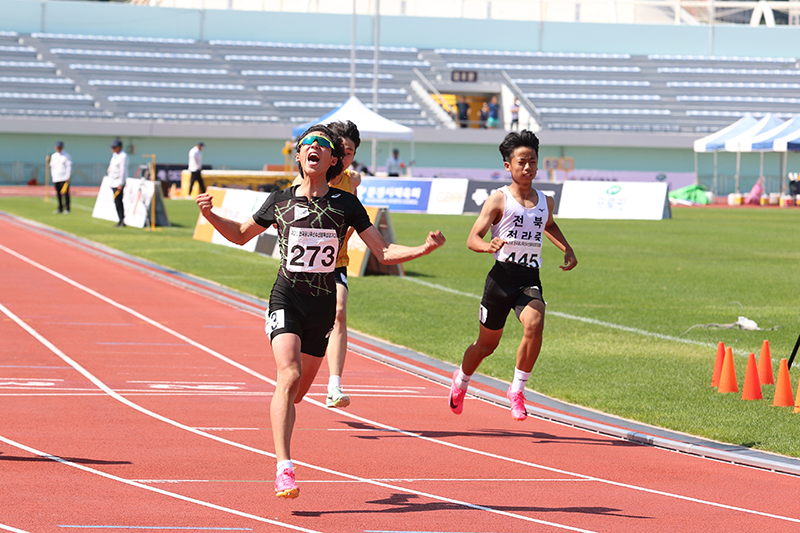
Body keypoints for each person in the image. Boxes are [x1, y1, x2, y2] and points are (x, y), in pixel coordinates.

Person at [195, 124, 445, 499]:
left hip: (322, 305)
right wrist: (211, 216)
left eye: (322, 145)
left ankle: (287, 414)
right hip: (287, 298)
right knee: (288, 374)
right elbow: (241, 234)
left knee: (296, 392)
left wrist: (423, 249)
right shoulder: (279, 200)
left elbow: (383, 251)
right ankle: (284, 468)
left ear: (332, 160)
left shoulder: (346, 205)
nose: (313, 147)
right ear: (298, 156)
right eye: (306, 144)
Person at [448, 130, 577, 422]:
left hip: (528, 277)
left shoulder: (546, 200)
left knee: (535, 321)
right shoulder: (498, 200)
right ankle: (461, 381)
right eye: (522, 161)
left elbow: (549, 225)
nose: (528, 167)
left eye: (533, 161)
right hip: (500, 279)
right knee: (486, 346)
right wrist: (487, 246)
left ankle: (516, 390)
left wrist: (567, 248)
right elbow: (472, 238)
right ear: (508, 166)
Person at [291, 120, 362, 409]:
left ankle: (334, 385)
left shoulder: (352, 181)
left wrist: (338, 239)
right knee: (305, 329)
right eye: (343, 152)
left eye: (352, 153)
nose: (346, 160)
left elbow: (356, 219)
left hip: (336, 263)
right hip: (302, 269)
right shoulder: (304, 181)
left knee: (340, 311)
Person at [107, 140, 128, 227]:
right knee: (116, 202)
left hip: (118, 182)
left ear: (119, 147)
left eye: (114, 147)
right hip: (113, 181)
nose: (113, 149)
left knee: (119, 201)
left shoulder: (123, 156)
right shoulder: (115, 156)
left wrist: (121, 183)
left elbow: (122, 170)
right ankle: (120, 220)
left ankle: (122, 220)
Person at [50, 141, 72, 214]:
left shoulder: (66, 156)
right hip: (56, 177)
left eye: (59, 147)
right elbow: (52, 167)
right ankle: (60, 208)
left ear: (62, 147)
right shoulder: (54, 156)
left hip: (64, 177)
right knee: (58, 193)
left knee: (65, 193)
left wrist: (68, 176)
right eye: (57, 147)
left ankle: (67, 208)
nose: (58, 148)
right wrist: (53, 176)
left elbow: (68, 167)